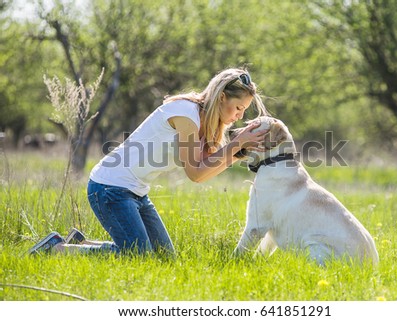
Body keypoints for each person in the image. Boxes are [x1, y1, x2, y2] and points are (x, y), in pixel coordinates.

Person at [29, 68, 269, 256]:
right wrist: (235, 145)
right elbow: (195, 173)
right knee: (138, 256)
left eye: (244, 111)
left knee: (165, 258)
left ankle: (80, 244)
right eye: (238, 108)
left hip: (136, 193)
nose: (240, 116)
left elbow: (204, 172)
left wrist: (238, 152)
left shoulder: (205, 125)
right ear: (222, 97)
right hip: (110, 188)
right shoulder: (186, 115)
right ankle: (56, 249)